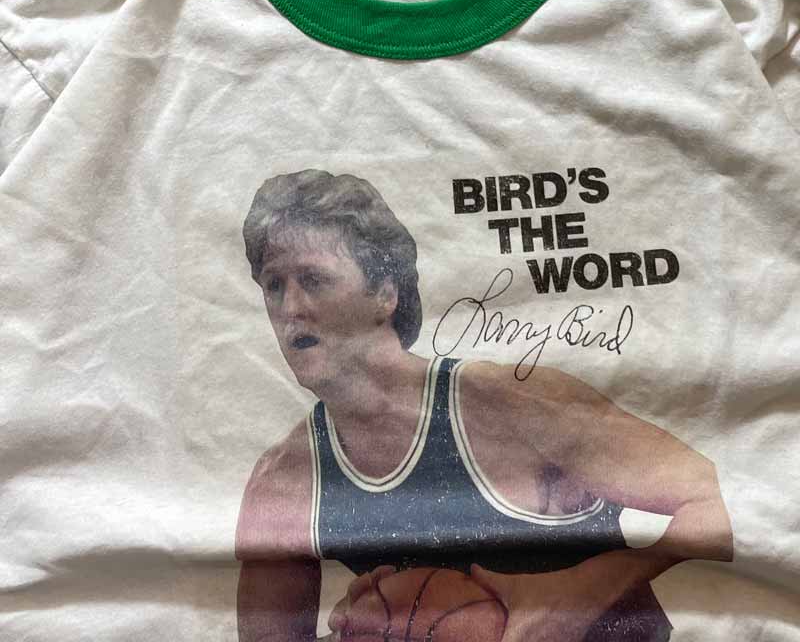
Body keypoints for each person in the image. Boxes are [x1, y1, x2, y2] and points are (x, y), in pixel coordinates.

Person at [234, 169, 733, 642]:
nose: (290, 308)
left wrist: (585, 590)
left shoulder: (509, 402)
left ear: (385, 294)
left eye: (313, 280)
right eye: (274, 286)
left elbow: (715, 498)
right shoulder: (283, 481)